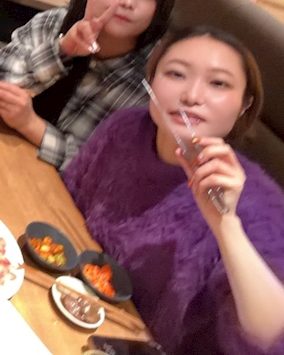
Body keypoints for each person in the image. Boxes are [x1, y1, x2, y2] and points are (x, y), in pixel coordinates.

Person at [64, 27, 284, 354]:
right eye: (176, 74)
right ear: (151, 82)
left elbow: (272, 334)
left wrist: (226, 225)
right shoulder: (126, 128)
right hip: (73, 299)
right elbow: (67, 198)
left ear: (243, 105)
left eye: (218, 83)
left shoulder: (258, 205)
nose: (192, 95)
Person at [0, 0, 176, 170]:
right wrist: (62, 49)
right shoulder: (56, 22)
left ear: (160, 10)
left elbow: (100, 172)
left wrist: (31, 125)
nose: (129, 2)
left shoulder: (150, 85)